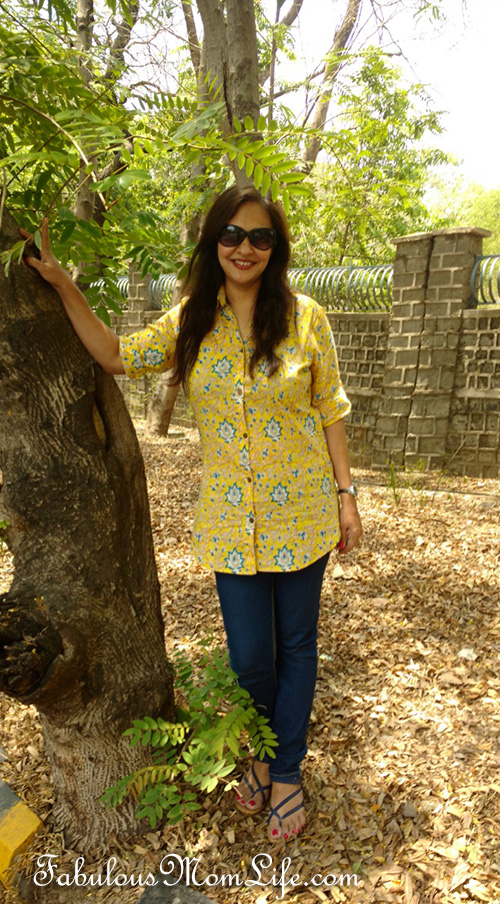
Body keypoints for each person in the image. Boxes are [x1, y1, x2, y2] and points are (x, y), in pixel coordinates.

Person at [23, 185, 362, 843]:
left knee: (297, 648)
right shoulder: (190, 321)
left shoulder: (306, 318)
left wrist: (348, 496)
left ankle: (283, 770)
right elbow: (118, 356)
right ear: (214, 242)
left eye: (260, 237)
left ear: (276, 247)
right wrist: (64, 284)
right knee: (251, 659)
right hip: (231, 528)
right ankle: (259, 752)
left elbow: (331, 410)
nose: (245, 247)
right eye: (232, 234)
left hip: (305, 517)